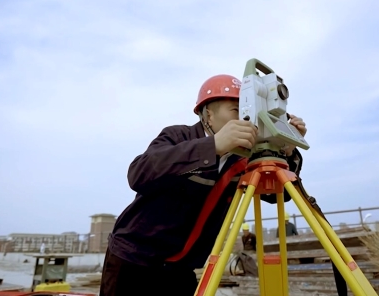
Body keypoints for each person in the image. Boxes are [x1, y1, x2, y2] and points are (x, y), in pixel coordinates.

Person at [99, 74, 307, 296]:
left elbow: (279, 195)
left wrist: (285, 150)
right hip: (133, 261)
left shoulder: (243, 161)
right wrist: (212, 147)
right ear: (208, 113)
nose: (247, 119)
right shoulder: (178, 136)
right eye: (236, 111)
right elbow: (139, 173)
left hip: (181, 270)